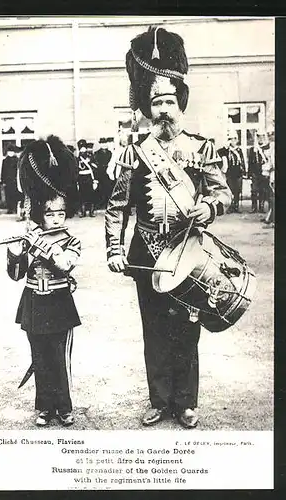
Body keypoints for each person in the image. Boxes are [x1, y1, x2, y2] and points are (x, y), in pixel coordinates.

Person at [105, 27, 231, 429]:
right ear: (147, 106)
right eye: (156, 101)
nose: (162, 109)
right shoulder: (133, 152)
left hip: (189, 252)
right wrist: (113, 248)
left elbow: (223, 193)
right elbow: (116, 207)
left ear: (181, 105)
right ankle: (159, 400)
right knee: (154, 328)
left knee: (187, 329)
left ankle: (186, 403)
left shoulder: (201, 147)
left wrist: (209, 207)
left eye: (169, 101)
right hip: (146, 253)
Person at [6, 135, 81, 427]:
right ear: (40, 213)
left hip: (60, 304)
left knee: (59, 360)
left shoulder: (70, 240)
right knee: (40, 359)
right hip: (34, 303)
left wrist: (44, 247)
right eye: (50, 214)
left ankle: (64, 407)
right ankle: (44, 408)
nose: (57, 218)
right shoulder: (31, 235)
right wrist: (16, 254)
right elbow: (16, 275)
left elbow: (65, 264)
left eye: (61, 212)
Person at [223, 133, 246, 213]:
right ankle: (231, 207)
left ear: (237, 140)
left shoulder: (239, 150)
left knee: (237, 191)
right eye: (231, 139)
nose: (233, 141)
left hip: (238, 173)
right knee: (230, 190)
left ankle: (236, 206)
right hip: (230, 173)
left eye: (235, 139)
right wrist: (225, 147)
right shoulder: (226, 150)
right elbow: (219, 153)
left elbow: (242, 161)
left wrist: (244, 171)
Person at [248, 132, 269, 213]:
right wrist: (249, 174)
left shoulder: (266, 148)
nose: (261, 139)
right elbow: (250, 162)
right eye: (259, 137)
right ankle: (254, 207)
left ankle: (261, 207)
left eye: (262, 137)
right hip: (254, 172)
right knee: (254, 190)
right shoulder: (253, 149)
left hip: (263, 172)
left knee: (262, 190)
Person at [77, 139, 98, 217]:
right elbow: (76, 170)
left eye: (84, 147)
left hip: (89, 177)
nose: (82, 149)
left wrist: (95, 180)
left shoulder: (91, 157)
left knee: (91, 195)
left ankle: (91, 212)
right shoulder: (77, 159)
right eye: (81, 148)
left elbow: (95, 168)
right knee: (82, 195)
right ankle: (83, 212)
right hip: (81, 178)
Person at [93, 137, 113, 209]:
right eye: (102, 143)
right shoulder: (96, 153)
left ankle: (108, 203)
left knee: (109, 188)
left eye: (105, 143)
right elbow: (94, 164)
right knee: (100, 188)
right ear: (100, 144)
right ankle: (101, 203)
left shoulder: (110, 153)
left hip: (108, 173)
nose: (104, 145)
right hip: (100, 173)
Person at [1, 144, 19, 214]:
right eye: (9, 152)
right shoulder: (5, 161)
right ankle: (10, 208)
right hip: (8, 181)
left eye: (12, 151)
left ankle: (15, 208)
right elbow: (3, 171)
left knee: (15, 195)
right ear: (7, 152)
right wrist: (3, 181)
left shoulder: (17, 160)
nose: (10, 153)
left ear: (14, 152)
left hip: (15, 181)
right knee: (8, 195)